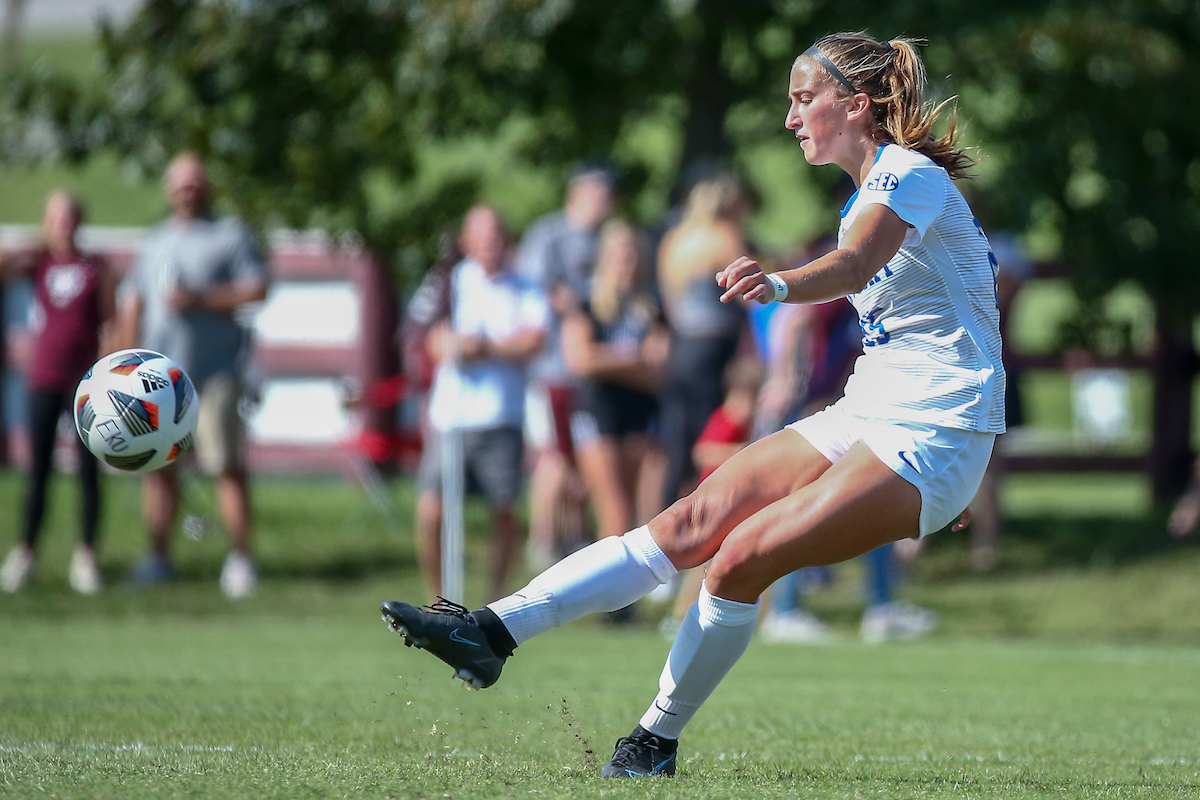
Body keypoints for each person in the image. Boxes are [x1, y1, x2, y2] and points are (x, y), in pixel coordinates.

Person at [380, 31, 1003, 778]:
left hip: (935, 432)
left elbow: (855, 264)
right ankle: (488, 632)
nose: (790, 117)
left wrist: (777, 284)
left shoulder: (908, 174)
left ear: (856, 105)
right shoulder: (871, 187)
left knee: (737, 561)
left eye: (804, 98)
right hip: (871, 415)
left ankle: (653, 742)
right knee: (686, 523)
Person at [116, 152, 269, 598]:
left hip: (214, 372)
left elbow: (256, 288)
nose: (188, 190)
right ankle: (158, 557)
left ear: (207, 187)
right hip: (159, 379)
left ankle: (241, 559)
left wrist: (200, 298)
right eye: (180, 183)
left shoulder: (230, 234)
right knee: (159, 468)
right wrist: (123, 363)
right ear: (169, 190)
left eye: (195, 182)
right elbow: (134, 302)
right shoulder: (156, 240)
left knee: (226, 464)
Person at [415, 205, 548, 602]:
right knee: (432, 507)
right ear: (466, 241)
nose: (491, 245)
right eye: (482, 236)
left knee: (504, 508)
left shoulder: (525, 286)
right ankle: (438, 599)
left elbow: (534, 339)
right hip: (452, 415)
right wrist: (452, 345)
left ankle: (496, 601)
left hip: (501, 414)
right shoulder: (448, 284)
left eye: (497, 236)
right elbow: (429, 337)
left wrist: (485, 347)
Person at [0, 192, 116, 595]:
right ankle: (26, 551)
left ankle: (86, 556)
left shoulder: (95, 267)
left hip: (84, 384)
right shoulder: (40, 263)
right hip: (44, 377)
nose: (63, 225)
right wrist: (33, 245)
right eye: (55, 218)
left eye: (69, 217)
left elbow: (110, 319)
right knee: (38, 472)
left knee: (87, 472)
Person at [515, 164, 617, 569]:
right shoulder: (549, 234)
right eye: (600, 194)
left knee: (583, 459)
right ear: (579, 193)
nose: (607, 203)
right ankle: (541, 539)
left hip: (590, 371)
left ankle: (574, 538)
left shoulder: (606, 238)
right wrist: (582, 309)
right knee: (554, 457)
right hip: (553, 367)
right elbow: (535, 286)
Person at [562, 219, 668, 544]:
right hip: (598, 412)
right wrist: (634, 359)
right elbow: (581, 360)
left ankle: (622, 594)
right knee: (614, 510)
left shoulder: (651, 308)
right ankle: (604, 592)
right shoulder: (588, 304)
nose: (628, 264)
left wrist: (609, 359)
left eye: (633, 255)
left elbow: (660, 366)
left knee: (633, 513)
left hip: (639, 412)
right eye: (621, 255)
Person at [656, 176, 752, 508]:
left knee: (679, 443)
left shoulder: (675, 239)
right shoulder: (723, 237)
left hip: (683, 346)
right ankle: (707, 514)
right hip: (714, 347)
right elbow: (748, 295)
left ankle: (665, 517)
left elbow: (670, 302)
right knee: (711, 438)